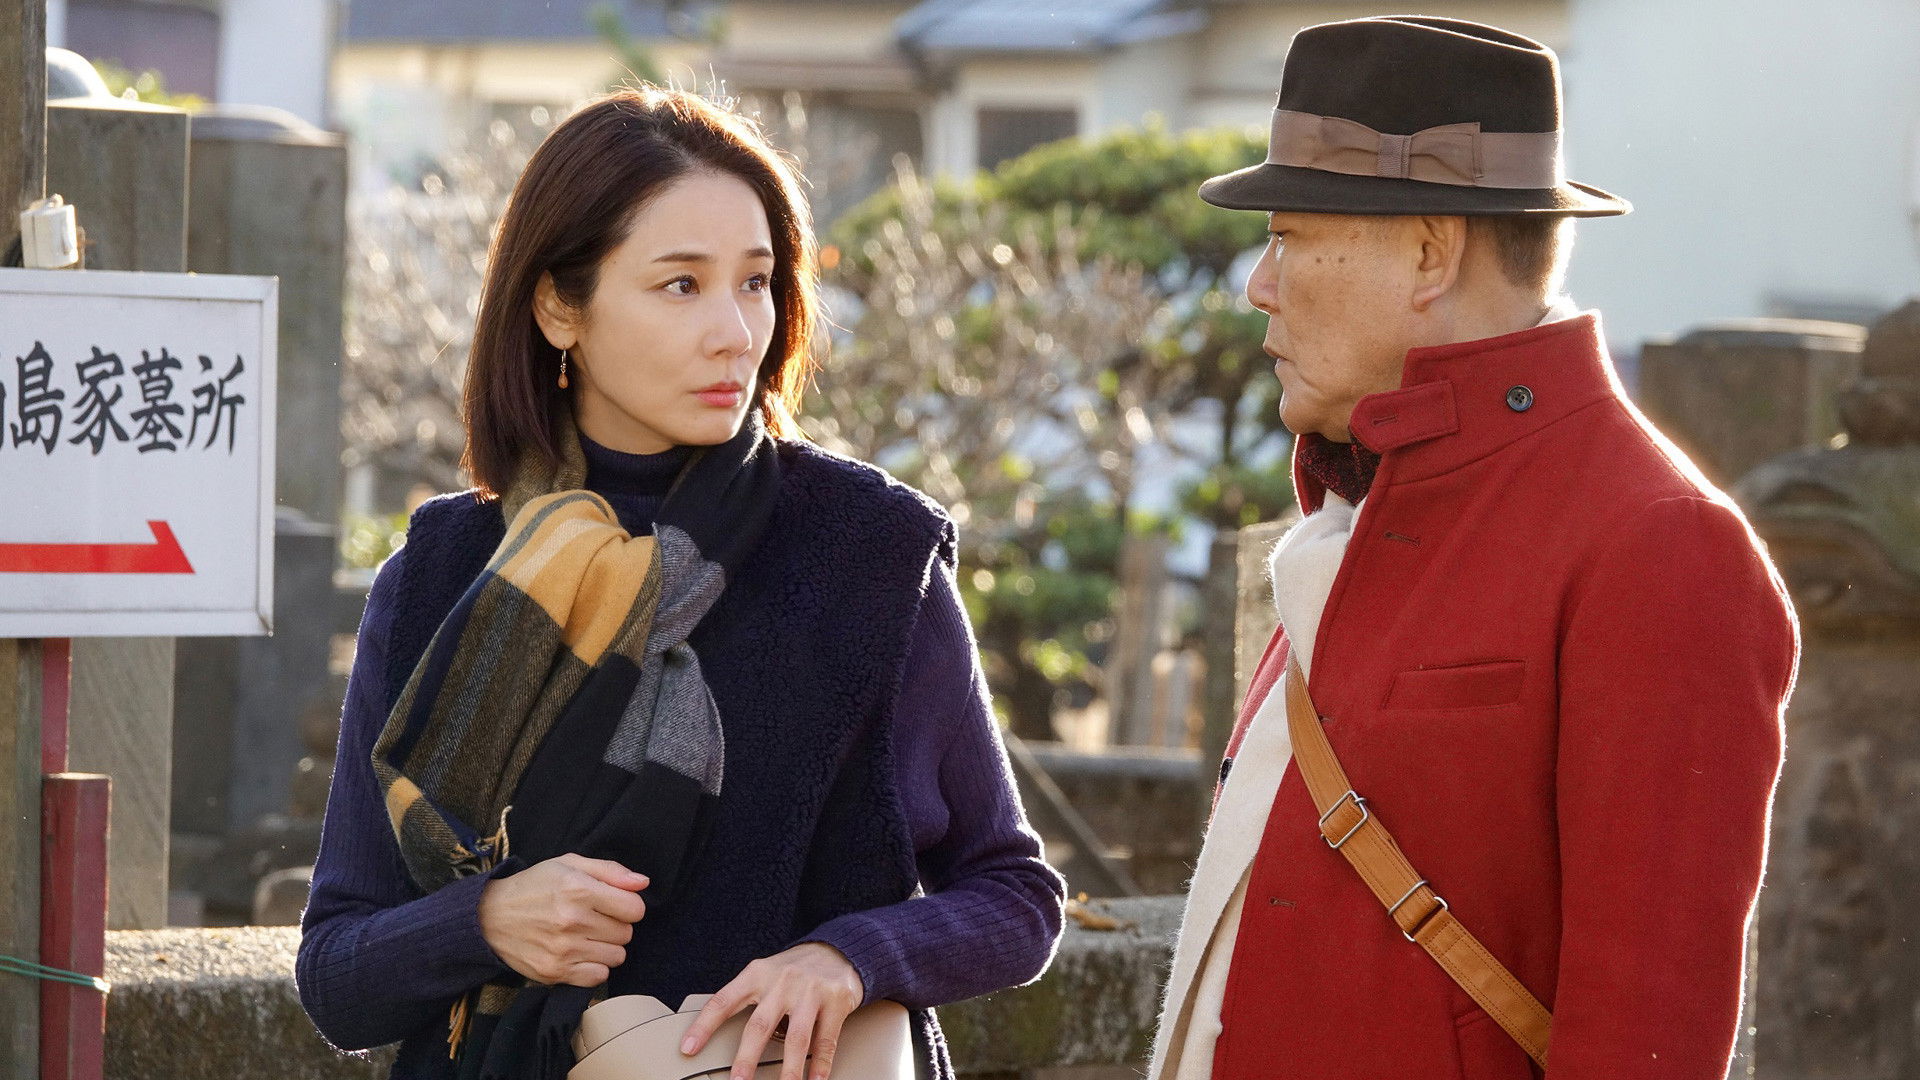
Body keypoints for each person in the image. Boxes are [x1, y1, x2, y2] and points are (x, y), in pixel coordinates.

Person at [297, 86, 1064, 1080]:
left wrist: (851, 957)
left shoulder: (871, 555)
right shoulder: (441, 576)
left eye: (757, 282)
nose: (736, 331)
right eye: (681, 285)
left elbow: (1015, 897)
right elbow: (338, 977)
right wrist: (484, 920)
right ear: (558, 306)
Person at [1148, 17, 1799, 1080]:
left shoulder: (1662, 544)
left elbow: (1646, 1041)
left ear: (1429, 254)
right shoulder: (1364, 494)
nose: (1259, 285)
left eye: (1291, 237)